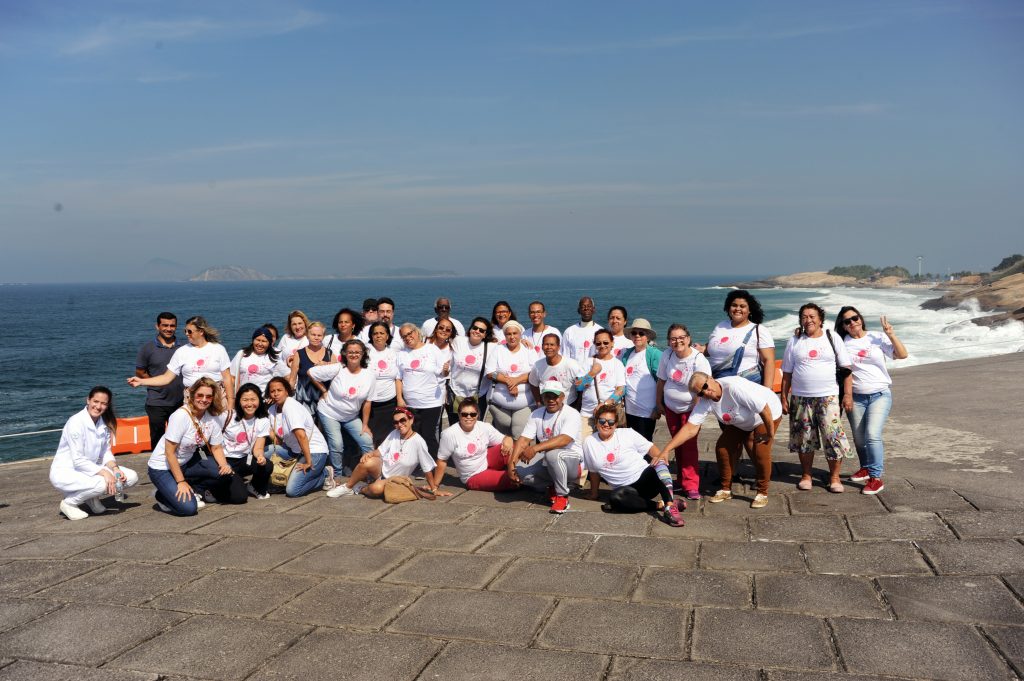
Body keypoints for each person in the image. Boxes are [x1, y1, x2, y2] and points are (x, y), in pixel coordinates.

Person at [663, 372, 783, 509]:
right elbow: (690, 428)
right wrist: (666, 450)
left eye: (705, 386)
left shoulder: (733, 388)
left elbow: (764, 409)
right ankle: (725, 489)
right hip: (741, 420)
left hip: (768, 412)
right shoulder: (705, 401)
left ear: (711, 378)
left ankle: (762, 492)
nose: (706, 392)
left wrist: (770, 434)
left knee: (761, 450)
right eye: (701, 393)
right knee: (722, 448)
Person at [780, 303, 854, 493]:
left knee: (833, 437)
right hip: (800, 398)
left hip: (828, 397)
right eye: (804, 316)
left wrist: (847, 395)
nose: (808, 320)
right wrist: (783, 397)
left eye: (812, 316)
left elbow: (846, 369)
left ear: (820, 319)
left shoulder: (832, 337)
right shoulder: (794, 341)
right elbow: (786, 373)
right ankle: (806, 476)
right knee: (804, 439)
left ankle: (835, 478)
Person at [835, 307, 909, 495]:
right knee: (859, 439)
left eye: (854, 318)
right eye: (847, 321)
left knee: (872, 435)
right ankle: (866, 467)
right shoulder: (842, 343)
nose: (852, 323)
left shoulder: (877, 337)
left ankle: (876, 478)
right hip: (856, 397)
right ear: (843, 326)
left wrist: (891, 335)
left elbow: (902, 355)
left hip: (880, 394)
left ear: (860, 319)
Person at [583, 404, 684, 527]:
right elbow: (594, 471)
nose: (606, 424)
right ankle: (660, 505)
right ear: (596, 422)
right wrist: (594, 493)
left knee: (660, 464)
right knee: (615, 498)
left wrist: (659, 458)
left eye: (611, 421)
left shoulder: (627, 433)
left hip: (646, 479)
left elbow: (652, 449)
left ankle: (669, 507)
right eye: (602, 420)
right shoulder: (589, 442)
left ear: (615, 424)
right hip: (626, 490)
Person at [50, 387, 139, 520]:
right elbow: (78, 460)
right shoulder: (76, 422)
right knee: (103, 483)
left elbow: (105, 451)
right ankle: (69, 503)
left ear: (107, 405)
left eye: (103, 403)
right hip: (67, 471)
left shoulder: (103, 423)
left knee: (131, 477)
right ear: (88, 400)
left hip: (89, 469)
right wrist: (105, 473)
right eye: (95, 401)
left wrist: (115, 469)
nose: (98, 406)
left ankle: (91, 498)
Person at [147, 377, 233, 516]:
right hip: (162, 467)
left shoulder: (213, 417)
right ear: (191, 395)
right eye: (200, 395)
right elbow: (170, 453)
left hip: (186, 463)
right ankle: (161, 495)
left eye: (208, 396)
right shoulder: (180, 416)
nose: (204, 399)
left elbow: (216, 447)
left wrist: (224, 465)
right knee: (188, 508)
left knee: (222, 473)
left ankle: (193, 488)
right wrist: (180, 481)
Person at [326, 407, 442, 498]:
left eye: (403, 420)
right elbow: (380, 451)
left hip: (395, 480)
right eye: (396, 422)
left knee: (376, 489)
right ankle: (347, 487)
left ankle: (360, 489)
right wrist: (370, 454)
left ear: (411, 420)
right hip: (381, 469)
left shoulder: (418, 441)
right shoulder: (394, 433)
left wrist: (434, 489)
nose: (399, 425)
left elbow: (427, 468)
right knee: (368, 461)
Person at [127, 315, 234, 413]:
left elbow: (227, 378)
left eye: (189, 331)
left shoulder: (218, 349)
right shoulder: (182, 351)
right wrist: (141, 381)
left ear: (201, 331)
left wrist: (230, 404)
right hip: (192, 399)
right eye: (185, 331)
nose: (186, 334)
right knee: (195, 432)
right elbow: (166, 378)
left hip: (216, 398)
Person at [507, 384, 583, 513]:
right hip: (548, 460)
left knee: (552, 455)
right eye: (547, 396)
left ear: (563, 397)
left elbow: (565, 439)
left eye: (555, 396)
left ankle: (562, 497)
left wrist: (535, 448)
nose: (551, 400)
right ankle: (553, 486)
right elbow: (523, 440)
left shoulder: (572, 413)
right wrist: (511, 465)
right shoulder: (536, 414)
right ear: (542, 397)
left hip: (573, 462)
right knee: (520, 473)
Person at [656, 323, 712, 499]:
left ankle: (691, 485)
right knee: (677, 444)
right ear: (668, 341)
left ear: (688, 339)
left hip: (691, 408)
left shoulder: (698, 359)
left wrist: (695, 411)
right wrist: (659, 403)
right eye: (673, 338)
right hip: (671, 407)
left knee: (688, 445)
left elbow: (703, 387)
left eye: (681, 338)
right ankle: (681, 479)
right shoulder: (667, 355)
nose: (677, 341)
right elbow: (661, 381)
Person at [308, 339, 377, 476]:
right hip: (329, 412)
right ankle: (337, 475)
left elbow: (368, 402)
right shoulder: (338, 368)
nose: (354, 355)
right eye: (350, 352)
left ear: (363, 354)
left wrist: (365, 425)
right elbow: (311, 372)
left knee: (367, 442)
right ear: (345, 353)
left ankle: (369, 471)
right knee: (337, 444)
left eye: (357, 352)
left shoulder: (369, 375)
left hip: (351, 416)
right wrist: (324, 390)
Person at [265, 376, 332, 497]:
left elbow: (301, 436)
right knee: (266, 452)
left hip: (314, 452)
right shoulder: (271, 410)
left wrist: (308, 461)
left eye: (279, 390)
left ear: (286, 391)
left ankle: (325, 475)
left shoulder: (291, 408)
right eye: (272, 391)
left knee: (293, 490)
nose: (275, 394)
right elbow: (278, 439)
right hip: (294, 451)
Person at [435, 397, 516, 491]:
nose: (469, 417)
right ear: (459, 415)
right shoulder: (449, 434)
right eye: (464, 414)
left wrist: (509, 439)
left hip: (485, 460)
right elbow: (442, 460)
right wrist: (435, 486)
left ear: (477, 415)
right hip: (472, 475)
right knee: (511, 480)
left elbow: (505, 440)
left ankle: (523, 471)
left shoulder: (484, 426)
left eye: (472, 414)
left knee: (512, 448)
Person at [702, 290, 776, 390]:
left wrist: (767, 392)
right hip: (719, 384)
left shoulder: (759, 330)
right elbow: (716, 348)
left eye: (742, 306)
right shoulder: (720, 326)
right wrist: (701, 349)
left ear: (749, 310)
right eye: (734, 305)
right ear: (729, 308)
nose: (737, 309)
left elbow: (769, 361)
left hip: (747, 385)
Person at [396, 323, 448, 455]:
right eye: (404, 336)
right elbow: (398, 378)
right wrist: (399, 398)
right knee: (414, 435)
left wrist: (445, 371)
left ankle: (435, 465)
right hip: (411, 403)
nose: (408, 337)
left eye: (410, 333)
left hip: (431, 401)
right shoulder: (401, 354)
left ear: (417, 332)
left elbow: (442, 372)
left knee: (428, 435)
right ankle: (419, 464)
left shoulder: (432, 349)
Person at [134, 312, 184, 448]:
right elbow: (140, 372)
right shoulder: (147, 349)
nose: (169, 329)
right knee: (157, 439)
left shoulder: (184, 348)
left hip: (181, 401)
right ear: (157, 326)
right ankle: (158, 466)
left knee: (181, 438)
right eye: (165, 325)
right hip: (156, 402)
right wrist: (157, 384)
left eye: (172, 325)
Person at [218, 383, 274, 502]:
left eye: (253, 399)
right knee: (240, 497)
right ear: (239, 401)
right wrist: (223, 464)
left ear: (259, 400)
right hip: (224, 460)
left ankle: (254, 486)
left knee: (267, 465)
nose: (249, 404)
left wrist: (260, 456)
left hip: (244, 459)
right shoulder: (227, 416)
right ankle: (210, 489)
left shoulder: (263, 420)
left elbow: (258, 448)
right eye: (245, 400)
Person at [485, 320, 535, 438]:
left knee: (518, 430)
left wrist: (516, 381)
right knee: (504, 430)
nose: (512, 337)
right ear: (505, 335)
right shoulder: (498, 349)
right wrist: (508, 382)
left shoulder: (528, 349)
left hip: (524, 403)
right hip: (498, 403)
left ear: (520, 334)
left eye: (515, 333)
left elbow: (535, 373)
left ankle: (518, 455)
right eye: (508, 334)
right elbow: (490, 372)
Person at [619, 319, 663, 441]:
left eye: (641, 333)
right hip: (629, 410)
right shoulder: (627, 354)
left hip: (647, 412)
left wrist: (658, 407)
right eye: (634, 333)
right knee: (631, 445)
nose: (637, 335)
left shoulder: (655, 354)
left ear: (648, 336)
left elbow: (663, 382)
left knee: (644, 445)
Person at [576, 329, 626, 438]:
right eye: (598, 343)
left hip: (608, 417)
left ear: (612, 343)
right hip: (587, 415)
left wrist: (605, 405)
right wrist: (592, 372)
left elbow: (621, 390)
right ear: (594, 344)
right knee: (583, 446)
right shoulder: (588, 362)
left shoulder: (617, 364)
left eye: (606, 342)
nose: (602, 345)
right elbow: (579, 387)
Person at [449, 316, 495, 417]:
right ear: (470, 329)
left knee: (475, 427)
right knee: (455, 426)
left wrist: (523, 342)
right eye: (475, 328)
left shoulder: (491, 347)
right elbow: (441, 339)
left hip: (478, 396)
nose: (477, 331)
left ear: (485, 335)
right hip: (456, 393)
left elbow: (508, 346)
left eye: (482, 330)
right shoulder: (458, 341)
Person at [365, 321, 400, 446]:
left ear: (387, 336)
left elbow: (398, 378)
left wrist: (400, 400)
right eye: (375, 333)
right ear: (371, 336)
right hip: (369, 404)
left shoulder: (394, 354)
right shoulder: (365, 352)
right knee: (369, 438)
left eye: (382, 333)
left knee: (388, 438)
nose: (378, 336)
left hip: (390, 403)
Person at [287, 321, 330, 415]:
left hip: (324, 400)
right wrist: (287, 398)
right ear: (307, 335)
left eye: (319, 335)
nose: (316, 337)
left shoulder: (330, 354)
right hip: (303, 401)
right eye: (313, 334)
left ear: (323, 336)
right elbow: (292, 379)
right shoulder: (299, 354)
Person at [528, 333, 585, 404]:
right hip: (548, 406)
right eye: (546, 344)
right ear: (542, 347)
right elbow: (533, 384)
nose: (549, 347)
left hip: (569, 405)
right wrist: (538, 402)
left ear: (558, 347)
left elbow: (583, 384)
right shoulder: (537, 366)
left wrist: (578, 405)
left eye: (552, 345)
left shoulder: (572, 365)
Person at [230, 327, 287, 395]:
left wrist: (275, 393)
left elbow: (287, 376)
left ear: (269, 343)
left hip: (265, 401)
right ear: (253, 340)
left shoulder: (273, 358)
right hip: (244, 399)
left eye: (264, 341)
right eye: (258, 340)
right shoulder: (242, 354)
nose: (260, 344)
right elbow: (232, 377)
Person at [426, 318, 457, 426]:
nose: (444, 331)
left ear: (451, 333)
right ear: (436, 329)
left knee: (436, 423)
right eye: (441, 327)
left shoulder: (451, 349)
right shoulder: (425, 342)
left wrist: (445, 371)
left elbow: (446, 374)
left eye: (448, 330)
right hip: (423, 387)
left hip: (440, 389)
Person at [562, 297, 602, 366]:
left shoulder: (601, 331)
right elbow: (565, 357)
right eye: (583, 306)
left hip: (594, 373)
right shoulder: (569, 332)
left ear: (594, 309)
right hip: (574, 374)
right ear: (578, 310)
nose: (586, 308)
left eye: (589, 306)